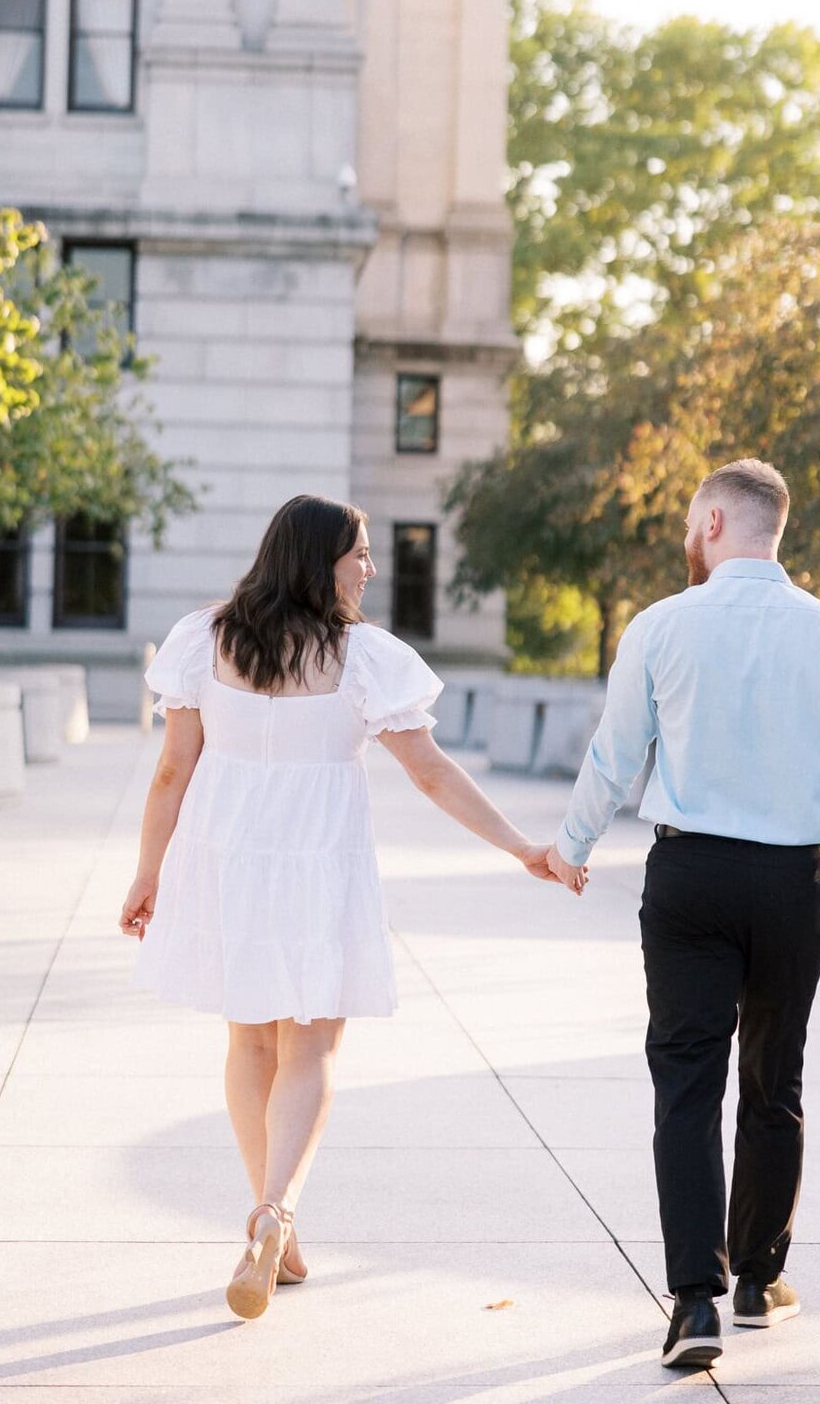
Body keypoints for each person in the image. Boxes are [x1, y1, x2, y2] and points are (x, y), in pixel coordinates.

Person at [119, 494, 575, 1321]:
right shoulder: (362, 657)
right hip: (318, 867)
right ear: (315, 558)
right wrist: (520, 847)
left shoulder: (204, 640)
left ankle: (271, 1222)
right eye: (357, 552)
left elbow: (170, 772)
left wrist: (148, 873)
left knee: (250, 1041)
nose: (370, 567)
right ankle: (276, 1211)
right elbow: (431, 772)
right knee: (313, 1048)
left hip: (226, 866)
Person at [545, 458, 820, 1372]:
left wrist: (571, 848)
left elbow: (614, 755)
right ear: (775, 529)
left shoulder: (661, 626)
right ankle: (756, 1282)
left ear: (709, 523)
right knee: (774, 1080)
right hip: (790, 882)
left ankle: (694, 1303)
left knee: (687, 1083)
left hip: (690, 878)